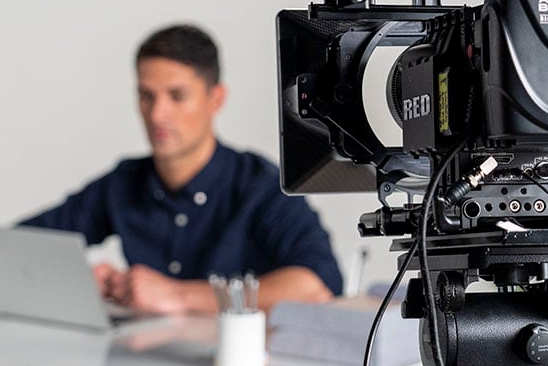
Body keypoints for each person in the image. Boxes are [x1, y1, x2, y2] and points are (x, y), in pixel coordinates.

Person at [18, 24, 343, 315]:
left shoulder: (260, 186)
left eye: (176, 96)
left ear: (215, 99)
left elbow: (317, 285)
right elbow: (23, 243)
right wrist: (77, 279)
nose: (157, 114)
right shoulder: (123, 183)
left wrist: (177, 295)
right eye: (146, 96)